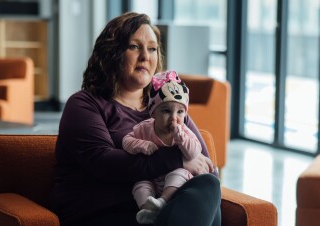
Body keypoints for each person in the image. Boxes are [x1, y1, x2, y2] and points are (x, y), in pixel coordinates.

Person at [50, 12, 221, 226]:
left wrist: (187, 164)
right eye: (134, 47)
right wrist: (178, 159)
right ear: (112, 53)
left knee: (208, 186)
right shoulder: (84, 104)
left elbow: (205, 166)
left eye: (152, 49)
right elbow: (105, 163)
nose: (145, 57)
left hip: (161, 212)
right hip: (102, 213)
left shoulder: (166, 106)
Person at [122, 70, 203, 224]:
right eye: (166, 111)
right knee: (140, 184)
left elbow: (194, 153)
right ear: (153, 113)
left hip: (174, 184)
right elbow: (126, 140)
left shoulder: (184, 131)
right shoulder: (144, 128)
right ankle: (147, 210)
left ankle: (163, 202)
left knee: (179, 173)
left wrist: (181, 137)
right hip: (152, 178)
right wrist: (142, 145)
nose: (174, 118)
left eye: (180, 112)